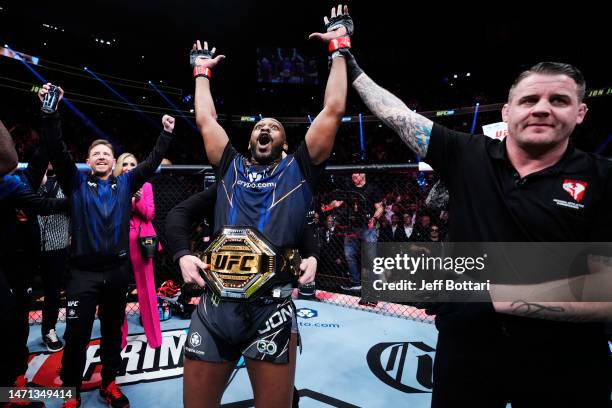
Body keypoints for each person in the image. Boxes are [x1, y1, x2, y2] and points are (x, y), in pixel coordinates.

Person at [346, 51, 612, 406]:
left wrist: (489, 295)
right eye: (529, 99)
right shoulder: (469, 153)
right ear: (507, 111)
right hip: (467, 351)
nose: (541, 108)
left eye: (559, 100)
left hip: (565, 359)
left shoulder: (603, 178)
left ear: (580, 113)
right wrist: (349, 63)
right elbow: (397, 116)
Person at [179, 5, 349, 407]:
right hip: (216, 308)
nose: (264, 128)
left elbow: (334, 110)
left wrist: (339, 48)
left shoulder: (299, 169)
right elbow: (205, 120)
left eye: (273, 126)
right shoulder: (230, 166)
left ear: (285, 141)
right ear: (250, 137)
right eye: (259, 125)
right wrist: (201, 73)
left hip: (271, 310)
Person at [38, 84, 175, 408]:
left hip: (116, 272)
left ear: (113, 162)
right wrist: (51, 111)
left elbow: (152, 161)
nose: (101, 156)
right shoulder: (75, 182)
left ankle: (109, 383)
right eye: (95, 153)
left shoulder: (125, 182)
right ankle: (71, 390)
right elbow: (56, 148)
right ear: (87, 161)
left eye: (106, 154)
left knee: (113, 332)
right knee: (76, 335)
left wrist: (166, 135)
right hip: (82, 276)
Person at [0, 120, 69, 392]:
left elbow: (42, 153)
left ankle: (16, 378)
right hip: (7, 263)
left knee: (18, 318)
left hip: (23, 263)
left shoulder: (18, 183)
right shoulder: (11, 185)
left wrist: (49, 114)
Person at [113, 152, 163, 350]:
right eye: (124, 164)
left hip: (142, 242)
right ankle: (119, 340)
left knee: (148, 291)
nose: (128, 167)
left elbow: (149, 214)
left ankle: (155, 340)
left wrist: (138, 200)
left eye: (133, 163)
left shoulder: (146, 186)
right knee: (117, 292)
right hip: (119, 243)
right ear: (119, 166)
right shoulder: (114, 185)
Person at [37, 163, 71, 353]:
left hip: (57, 245)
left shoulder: (67, 182)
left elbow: (74, 208)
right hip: (30, 245)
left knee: (52, 292)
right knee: (21, 293)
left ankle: (48, 330)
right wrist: (40, 183)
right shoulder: (29, 180)